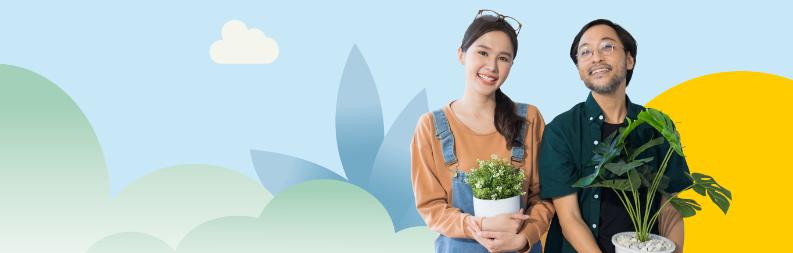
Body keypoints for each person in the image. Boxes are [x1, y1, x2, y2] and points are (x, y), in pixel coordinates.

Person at [539, 19, 692, 253]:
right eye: (585, 52)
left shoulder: (658, 126)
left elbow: (670, 208)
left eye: (607, 47)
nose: (596, 57)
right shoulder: (560, 130)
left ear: (629, 60)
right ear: (580, 69)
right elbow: (569, 218)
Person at [410, 9, 554, 253]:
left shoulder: (528, 120)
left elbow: (545, 197)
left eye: (503, 58)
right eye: (483, 52)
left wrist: (523, 239)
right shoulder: (431, 126)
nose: (492, 66)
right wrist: (479, 225)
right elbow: (431, 206)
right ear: (461, 54)